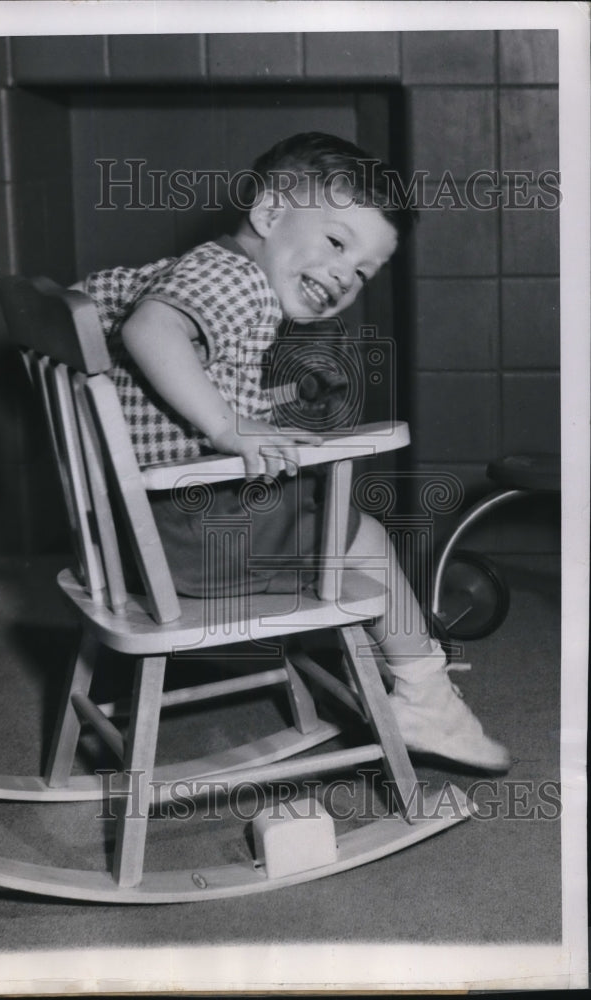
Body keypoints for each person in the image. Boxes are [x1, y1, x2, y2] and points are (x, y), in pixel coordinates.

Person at [77, 132, 510, 772]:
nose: (344, 275)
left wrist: (261, 405)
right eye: (337, 243)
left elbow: (165, 378)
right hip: (197, 542)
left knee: (317, 507)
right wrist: (229, 427)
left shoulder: (199, 268)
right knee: (363, 538)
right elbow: (150, 330)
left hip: (129, 540)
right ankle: (427, 695)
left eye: (363, 270)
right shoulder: (235, 281)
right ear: (270, 214)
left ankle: (402, 666)